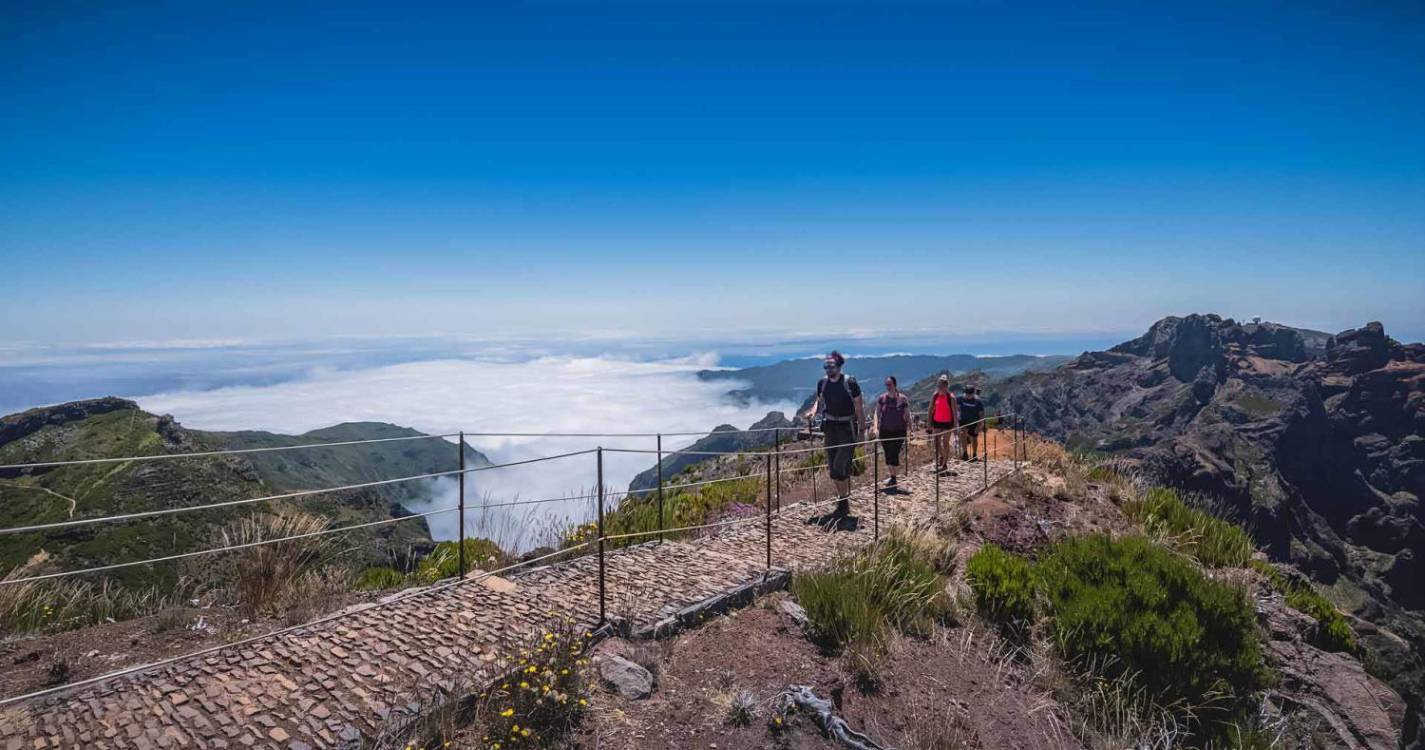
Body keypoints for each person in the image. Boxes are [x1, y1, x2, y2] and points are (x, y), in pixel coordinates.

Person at [805, 350, 864, 526]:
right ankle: (843, 500)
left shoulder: (850, 383)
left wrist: (862, 430)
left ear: (838, 366)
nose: (827, 369)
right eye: (826, 366)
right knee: (833, 468)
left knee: (840, 466)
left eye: (830, 366)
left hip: (847, 428)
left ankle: (843, 501)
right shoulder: (822, 383)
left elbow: (859, 407)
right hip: (830, 427)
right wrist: (813, 411)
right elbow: (819, 400)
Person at [872, 375, 911, 489]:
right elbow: (877, 412)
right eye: (887, 384)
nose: (888, 387)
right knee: (888, 454)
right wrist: (875, 426)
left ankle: (894, 477)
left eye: (890, 384)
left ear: (895, 385)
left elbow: (907, 414)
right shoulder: (882, 398)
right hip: (885, 430)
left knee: (893, 453)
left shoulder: (902, 399)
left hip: (899, 431)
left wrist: (911, 428)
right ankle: (893, 477)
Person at [926, 374, 958, 476]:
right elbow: (930, 409)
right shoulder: (935, 395)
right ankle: (942, 456)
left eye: (940, 386)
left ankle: (944, 463)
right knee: (936, 441)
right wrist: (929, 423)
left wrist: (956, 425)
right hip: (937, 422)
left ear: (946, 386)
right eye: (938, 386)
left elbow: (954, 412)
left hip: (947, 423)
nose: (939, 388)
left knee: (945, 442)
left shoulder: (951, 397)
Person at [958, 385, 985, 461]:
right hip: (963, 420)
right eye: (967, 394)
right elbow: (954, 403)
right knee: (962, 434)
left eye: (970, 394)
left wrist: (980, 425)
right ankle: (965, 453)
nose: (968, 396)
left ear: (973, 393)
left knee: (973, 438)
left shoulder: (978, 401)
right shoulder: (961, 398)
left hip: (974, 422)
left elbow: (981, 414)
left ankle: (974, 454)